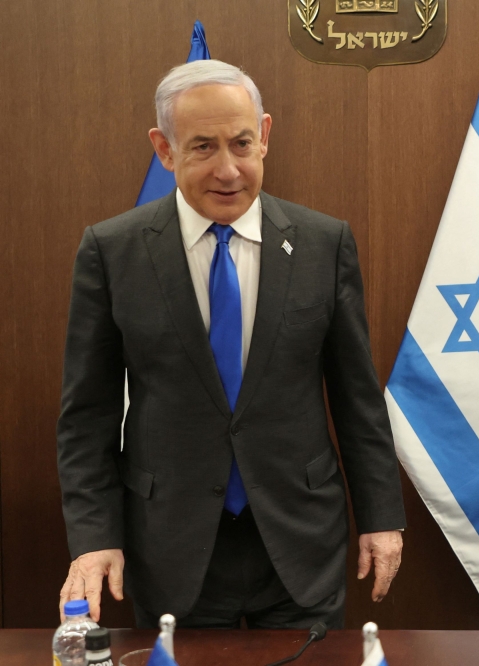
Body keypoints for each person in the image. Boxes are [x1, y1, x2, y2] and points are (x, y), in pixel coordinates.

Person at [56, 60, 406, 629]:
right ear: (165, 150)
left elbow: (358, 398)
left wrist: (381, 516)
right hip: (170, 547)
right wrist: (94, 537)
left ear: (264, 136)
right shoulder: (113, 251)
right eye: (202, 147)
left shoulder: (323, 243)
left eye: (242, 143)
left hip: (300, 541)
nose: (228, 170)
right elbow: (86, 417)